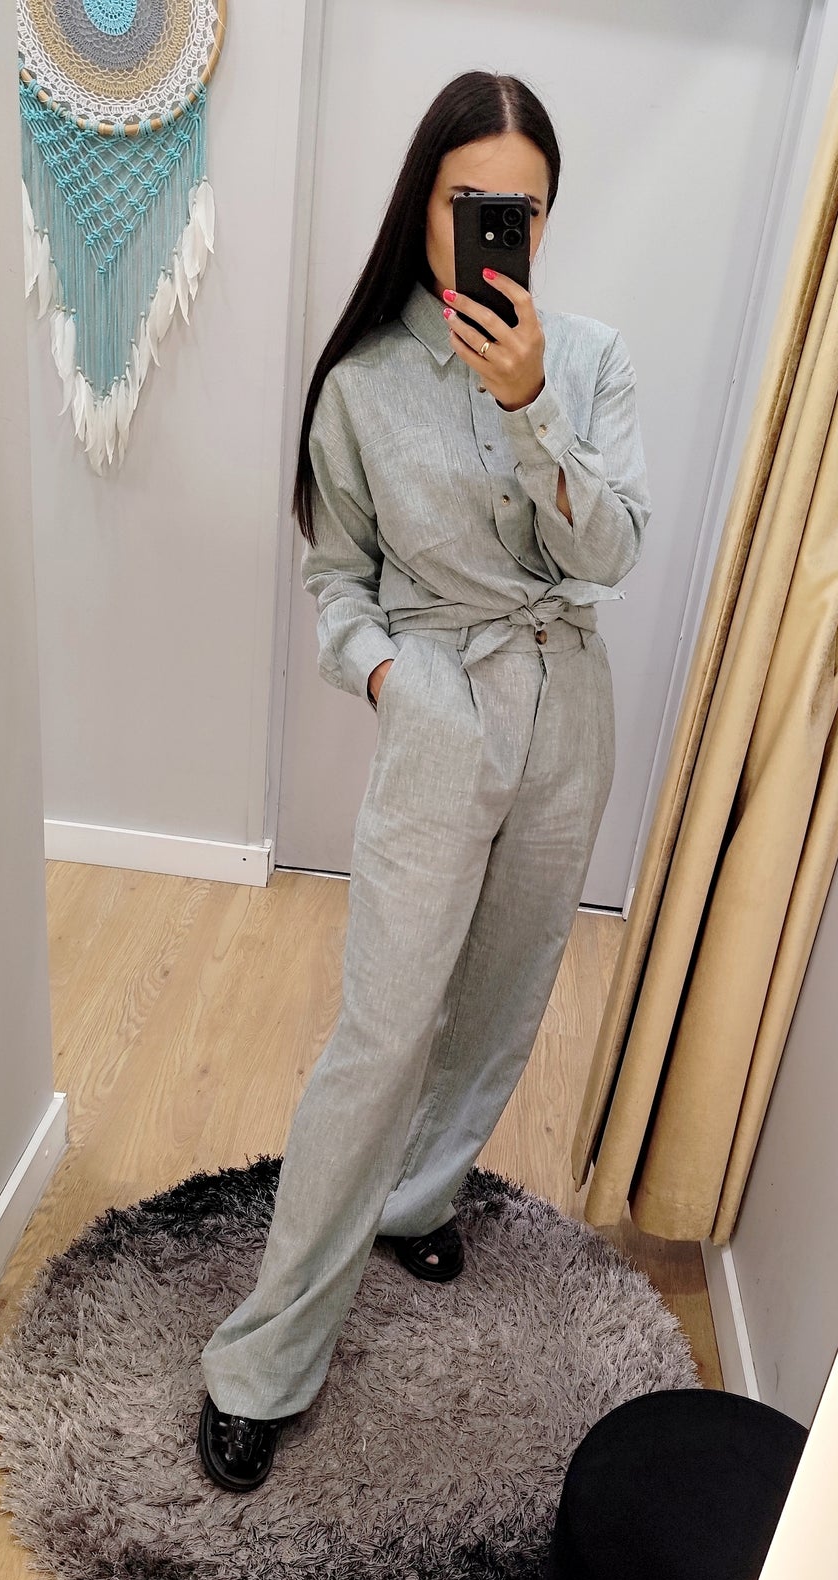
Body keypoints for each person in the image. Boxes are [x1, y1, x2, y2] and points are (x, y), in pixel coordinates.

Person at [197, 68, 651, 1492]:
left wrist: (530, 407)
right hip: (443, 708)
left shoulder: (586, 363)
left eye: (523, 209)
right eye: (469, 203)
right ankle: (262, 1357)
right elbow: (338, 578)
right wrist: (395, 680)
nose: (494, 231)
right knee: (382, 1031)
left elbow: (611, 552)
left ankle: (417, 1198)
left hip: (567, 709)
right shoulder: (361, 386)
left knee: (504, 996)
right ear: (425, 202)